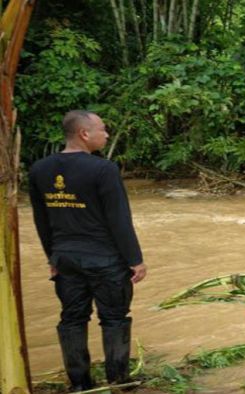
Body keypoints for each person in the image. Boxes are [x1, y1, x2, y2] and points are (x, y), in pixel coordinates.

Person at [28, 110, 147, 391]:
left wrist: (52, 257)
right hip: (105, 259)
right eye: (102, 130)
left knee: (71, 319)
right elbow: (119, 220)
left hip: (65, 258)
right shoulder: (103, 169)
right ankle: (119, 381)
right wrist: (136, 260)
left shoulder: (40, 170)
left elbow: (41, 220)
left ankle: (80, 384)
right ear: (84, 134)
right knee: (115, 318)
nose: (106, 134)